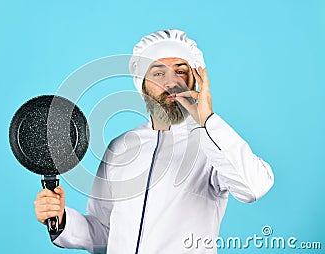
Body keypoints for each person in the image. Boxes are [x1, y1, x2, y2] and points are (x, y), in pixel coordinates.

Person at [33, 29, 274, 254]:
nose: (171, 82)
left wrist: (206, 119)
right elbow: (104, 233)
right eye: (158, 73)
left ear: (194, 81)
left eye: (180, 71)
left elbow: (254, 186)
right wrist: (61, 218)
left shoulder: (211, 142)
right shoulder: (120, 147)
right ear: (142, 85)